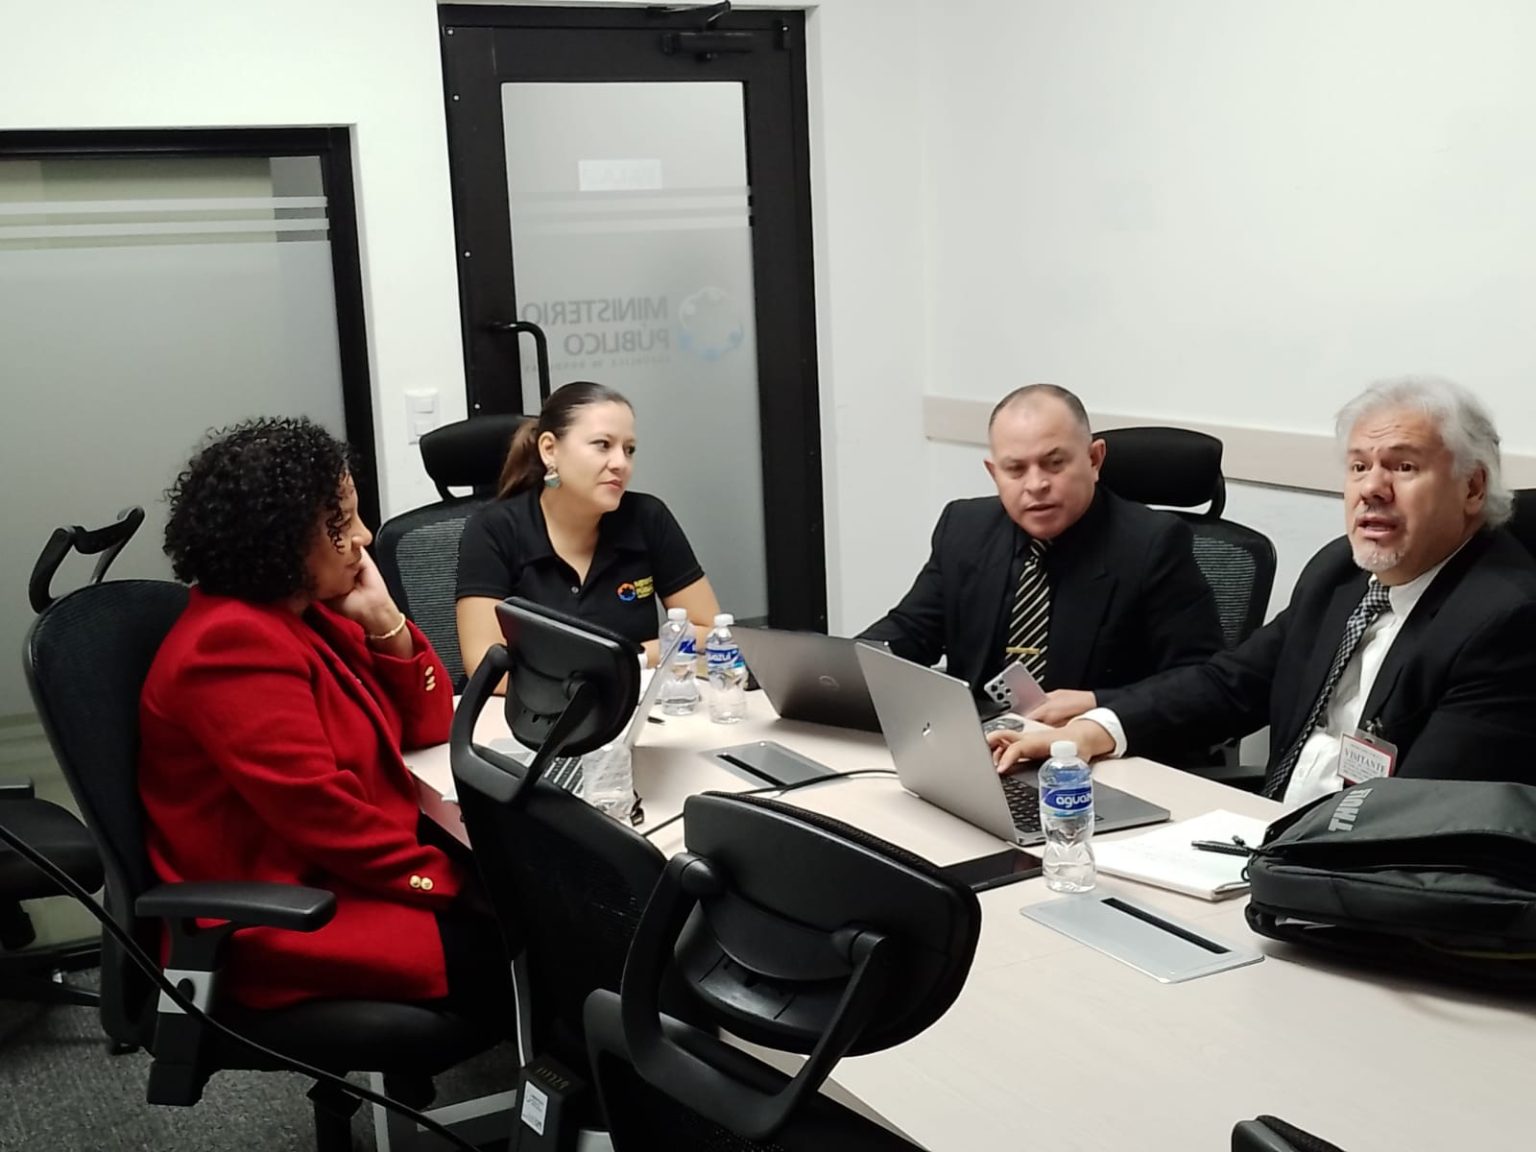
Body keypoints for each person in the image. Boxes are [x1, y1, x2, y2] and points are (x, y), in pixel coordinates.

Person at [991, 376, 1536, 808]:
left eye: (1404, 466)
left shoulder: (1505, 621)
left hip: (1360, 873)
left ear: (1472, 487)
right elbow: (1230, 684)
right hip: (1270, 837)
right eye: (1359, 466)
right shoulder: (1339, 573)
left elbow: (1419, 816)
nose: (1372, 487)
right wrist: (1093, 731)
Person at [139, 417, 511, 1016]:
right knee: (531, 947)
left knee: (536, 918)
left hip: (345, 874)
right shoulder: (230, 643)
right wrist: (451, 883)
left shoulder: (303, 612)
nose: (363, 537)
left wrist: (386, 623)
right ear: (280, 537)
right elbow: (323, 815)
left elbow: (429, 725)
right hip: (288, 912)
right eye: (341, 524)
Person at [857, 383, 1224, 763]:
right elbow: (911, 631)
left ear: (1094, 459)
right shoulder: (965, 528)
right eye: (1015, 469)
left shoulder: (1152, 544)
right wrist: (838, 675)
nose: (1036, 485)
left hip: (1092, 763)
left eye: (1054, 463)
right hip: (980, 752)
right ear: (994, 472)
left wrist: (1098, 705)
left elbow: (1201, 682)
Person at [456, 381, 719, 685]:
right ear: (549, 450)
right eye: (603, 445)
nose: (621, 463)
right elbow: (486, 669)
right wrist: (609, 669)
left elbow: (711, 632)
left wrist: (634, 658)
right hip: (522, 710)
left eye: (629, 450)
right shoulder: (493, 529)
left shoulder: (647, 518)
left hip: (633, 704)